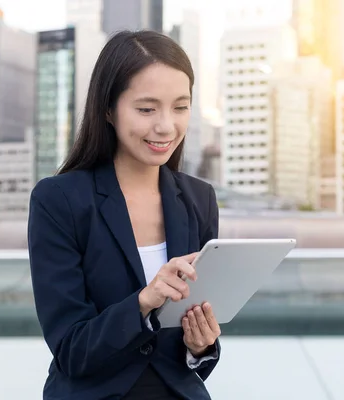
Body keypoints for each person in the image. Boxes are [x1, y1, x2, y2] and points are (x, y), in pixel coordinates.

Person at [27, 30, 222, 400]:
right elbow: (71, 349)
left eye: (180, 107)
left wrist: (202, 347)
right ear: (108, 110)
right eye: (147, 109)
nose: (166, 126)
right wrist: (143, 303)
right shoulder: (59, 200)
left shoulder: (199, 199)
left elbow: (192, 361)